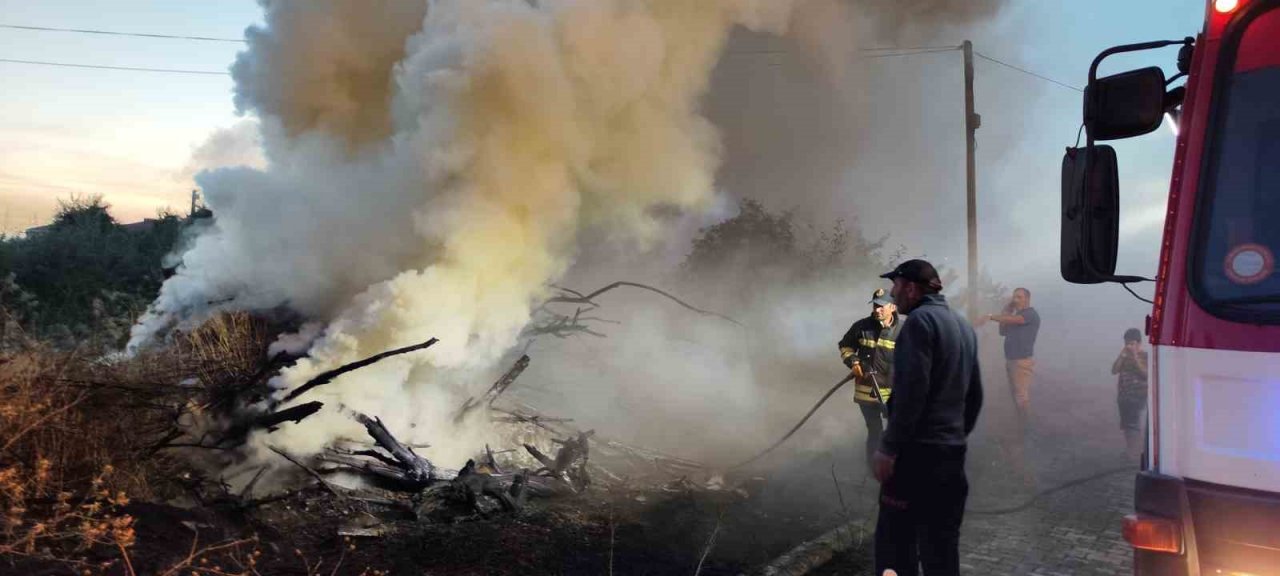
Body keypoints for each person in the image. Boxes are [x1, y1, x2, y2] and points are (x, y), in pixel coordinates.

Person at [872, 259, 983, 576]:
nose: (892, 295)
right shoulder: (962, 326)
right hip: (950, 460)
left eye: (895, 286)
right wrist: (954, 439)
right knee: (942, 549)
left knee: (895, 547)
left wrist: (890, 447)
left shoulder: (920, 323)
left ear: (910, 287)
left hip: (916, 460)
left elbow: (911, 394)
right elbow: (974, 396)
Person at [838, 288, 902, 473]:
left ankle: (898, 470)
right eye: (875, 305)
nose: (877, 310)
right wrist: (853, 362)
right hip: (866, 393)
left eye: (882, 306)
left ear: (893, 307)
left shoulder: (905, 331)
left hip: (893, 396)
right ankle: (874, 470)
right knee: (874, 431)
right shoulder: (862, 326)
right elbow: (845, 346)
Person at [977, 287, 1040, 440]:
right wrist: (1006, 308)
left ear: (1027, 299)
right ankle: (1021, 423)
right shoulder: (1015, 314)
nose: (1015, 299)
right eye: (1014, 297)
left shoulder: (1030, 314)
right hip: (1011, 359)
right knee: (1015, 394)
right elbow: (1002, 331)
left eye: (1019, 297)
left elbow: (1014, 320)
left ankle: (1027, 428)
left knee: (1021, 395)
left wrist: (990, 316)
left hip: (1021, 361)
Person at [1112, 328, 1149, 460]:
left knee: (1134, 425)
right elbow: (1114, 370)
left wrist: (1134, 357)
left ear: (1139, 343)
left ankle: (1136, 453)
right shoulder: (1124, 356)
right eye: (1127, 343)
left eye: (1132, 343)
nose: (1129, 346)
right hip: (1124, 396)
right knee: (1127, 425)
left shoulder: (1145, 356)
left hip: (1138, 396)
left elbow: (1146, 374)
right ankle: (1131, 451)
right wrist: (1122, 355)